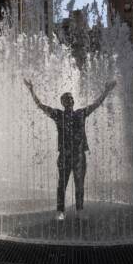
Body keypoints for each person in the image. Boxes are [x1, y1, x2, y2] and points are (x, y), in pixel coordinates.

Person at [24, 79, 116, 220]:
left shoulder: (81, 113)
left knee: (79, 184)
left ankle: (80, 210)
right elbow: (40, 105)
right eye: (67, 98)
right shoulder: (58, 114)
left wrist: (106, 91)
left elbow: (96, 104)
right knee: (62, 184)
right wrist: (31, 90)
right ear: (63, 102)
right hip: (65, 156)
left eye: (72, 98)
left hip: (79, 156)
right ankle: (60, 211)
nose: (70, 99)